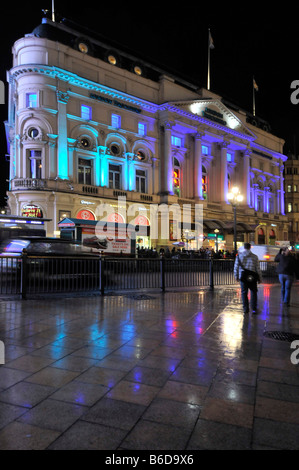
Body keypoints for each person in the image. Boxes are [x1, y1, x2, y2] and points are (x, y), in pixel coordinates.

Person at [234, 242, 262, 314]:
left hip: (243, 277)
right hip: (252, 277)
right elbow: (258, 268)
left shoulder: (239, 256)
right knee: (253, 292)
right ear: (250, 247)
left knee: (244, 292)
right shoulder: (255, 257)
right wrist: (260, 278)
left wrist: (236, 276)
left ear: (244, 247)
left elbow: (236, 267)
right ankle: (254, 308)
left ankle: (245, 308)